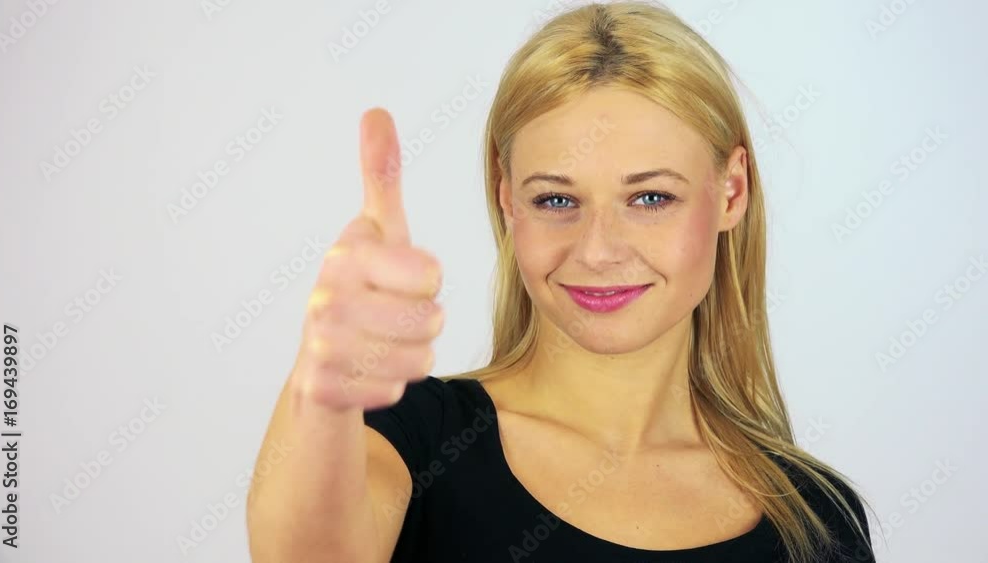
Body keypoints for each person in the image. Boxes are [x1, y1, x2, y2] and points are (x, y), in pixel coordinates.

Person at [245, 2, 877, 562]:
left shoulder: (817, 520)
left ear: (731, 192)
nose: (597, 251)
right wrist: (320, 387)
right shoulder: (415, 437)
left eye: (651, 197)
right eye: (555, 200)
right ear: (507, 200)